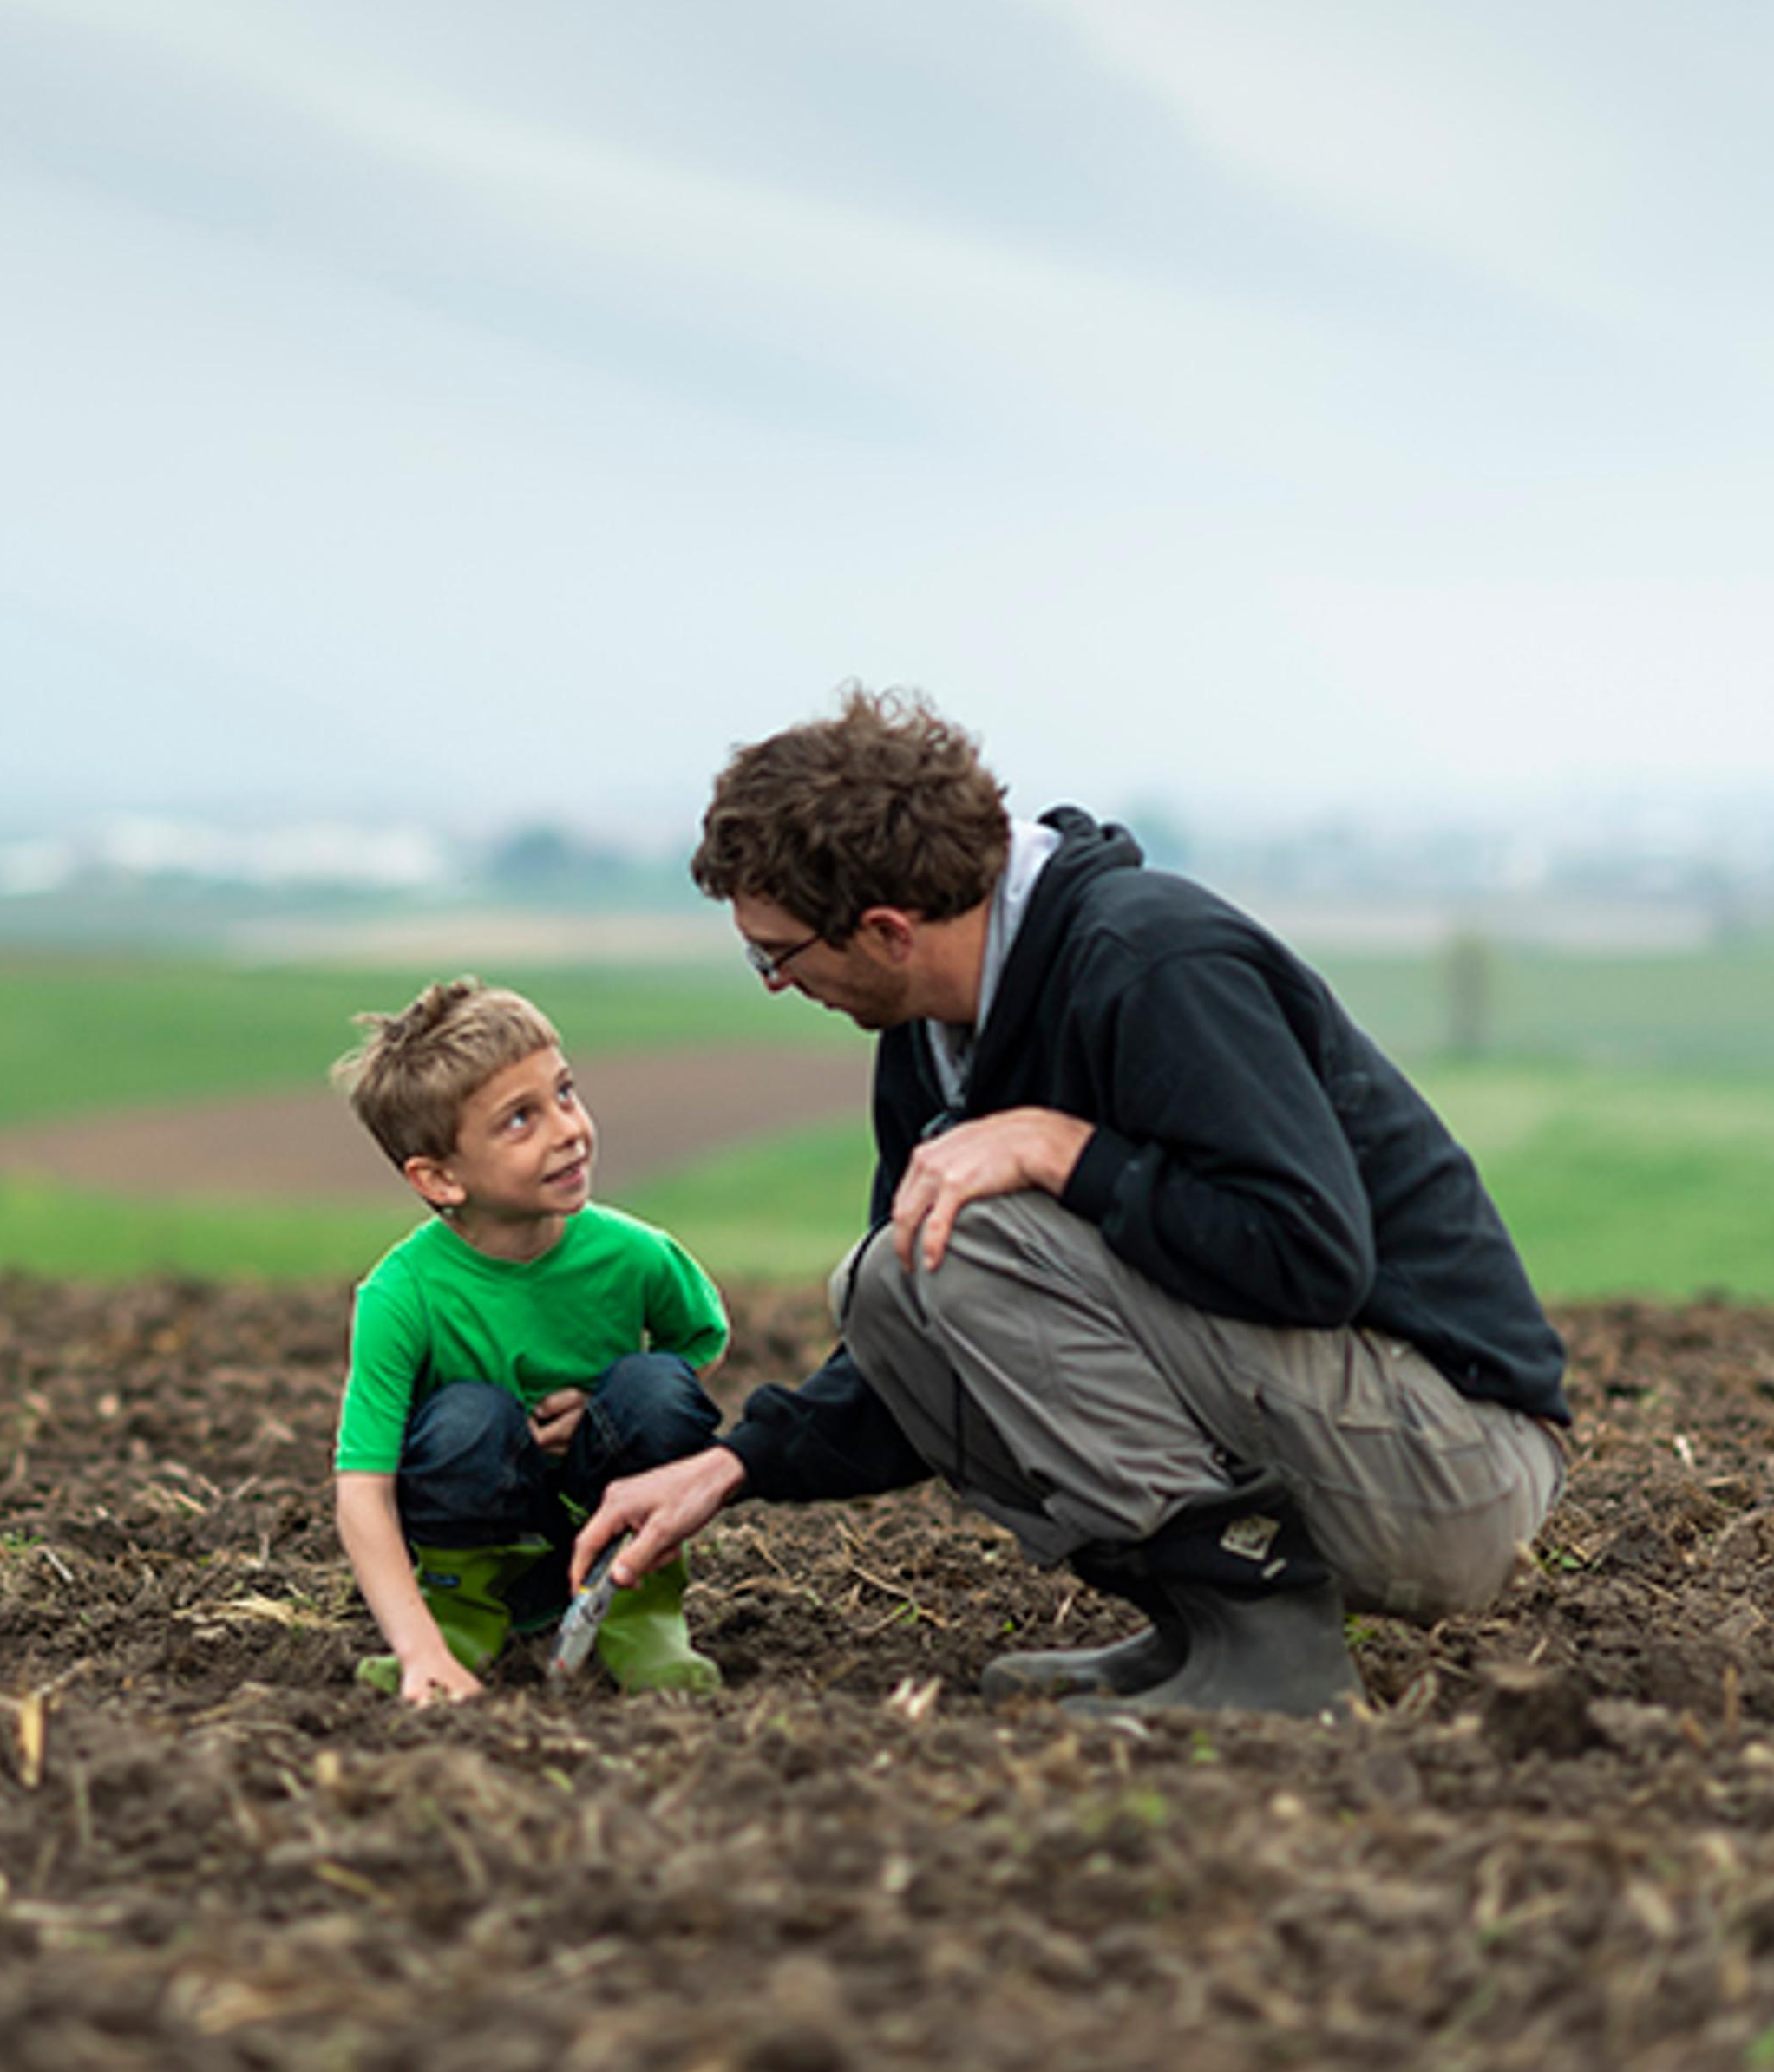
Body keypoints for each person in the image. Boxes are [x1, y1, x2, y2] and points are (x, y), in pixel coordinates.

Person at [572, 690, 1572, 1718]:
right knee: (889, 1279)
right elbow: (925, 1351)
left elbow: (1311, 1256)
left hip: (1452, 1463)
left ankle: (1270, 1651)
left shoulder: (1154, 963)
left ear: (883, 928)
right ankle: (1204, 1623)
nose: (775, 983)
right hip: (1342, 1431)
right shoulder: (930, 1034)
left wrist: (1066, 1150)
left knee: (962, 1243)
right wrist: (732, 1463)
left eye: (775, 953)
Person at [330, 977, 731, 1703]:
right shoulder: (401, 1293)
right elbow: (362, 1487)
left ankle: (642, 1617)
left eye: (565, 1093)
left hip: (609, 1531)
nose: (567, 1128)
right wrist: (416, 1646)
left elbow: (698, 1346)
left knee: (656, 1386)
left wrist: (607, 1407)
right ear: (441, 1177)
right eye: (520, 1120)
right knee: (467, 1417)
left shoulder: (636, 1255)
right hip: (474, 1533)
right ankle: (461, 1626)